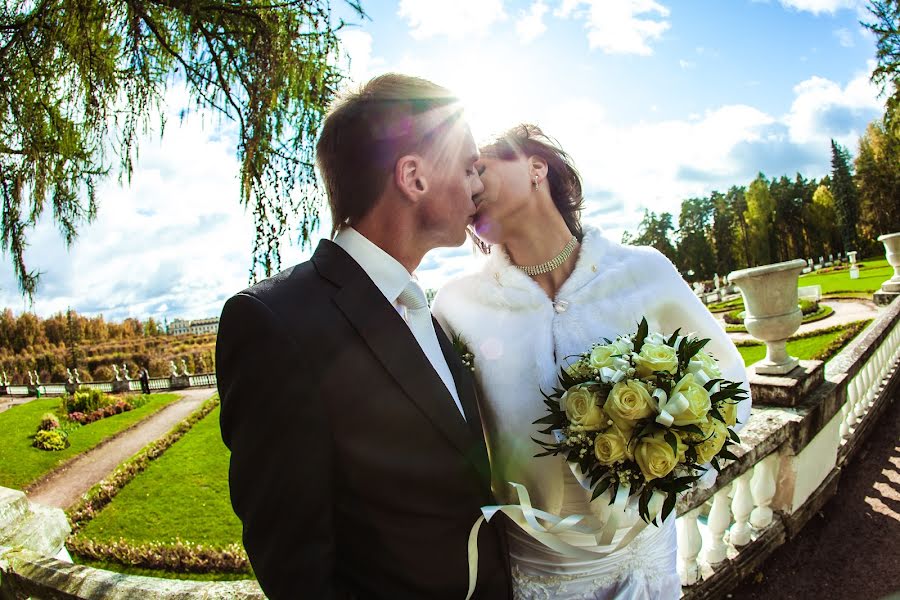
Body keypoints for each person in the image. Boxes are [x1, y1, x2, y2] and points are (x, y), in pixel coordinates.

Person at [215, 74, 511, 599]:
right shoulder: (274, 323)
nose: (479, 185)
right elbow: (294, 565)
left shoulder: (424, 307)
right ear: (413, 177)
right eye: (468, 167)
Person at [433, 124, 751, 599]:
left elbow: (728, 386)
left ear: (536, 166)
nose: (471, 185)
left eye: (479, 167)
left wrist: (673, 464)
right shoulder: (455, 306)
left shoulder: (643, 270)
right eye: (464, 176)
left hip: (647, 554)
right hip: (542, 567)